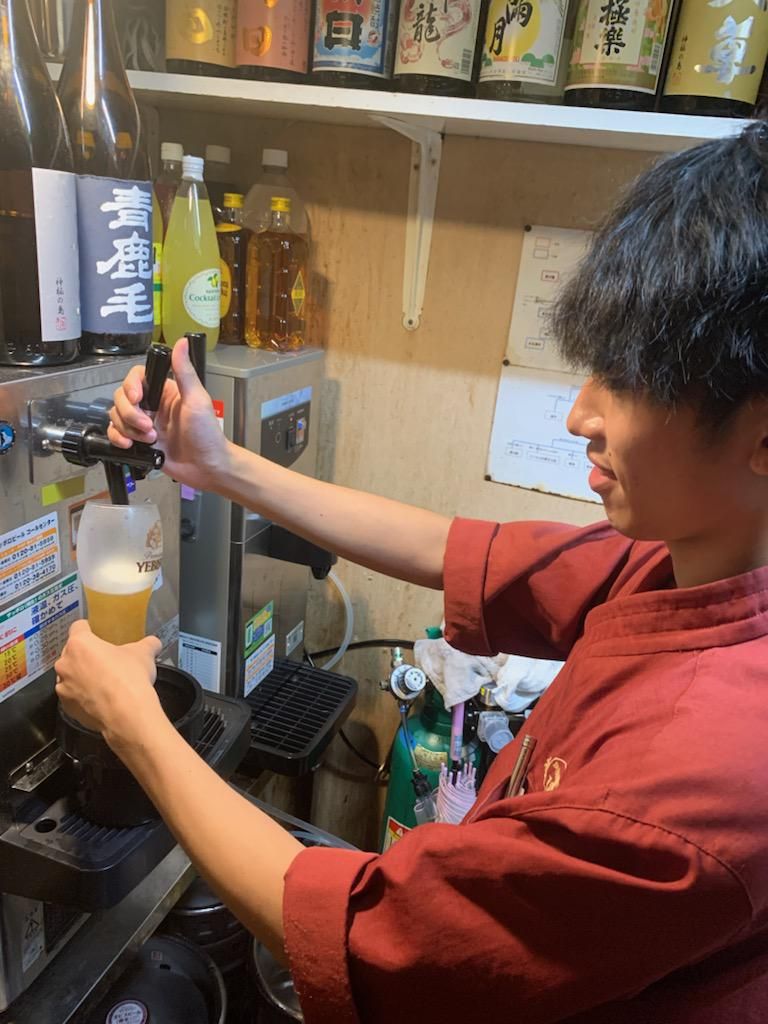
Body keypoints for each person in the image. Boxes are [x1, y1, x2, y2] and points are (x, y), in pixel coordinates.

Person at [55, 122, 768, 1024]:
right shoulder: (690, 565)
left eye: (630, 383)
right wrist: (219, 464)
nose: (580, 415)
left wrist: (133, 722)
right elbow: (454, 550)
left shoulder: (702, 778)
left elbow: (372, 939)